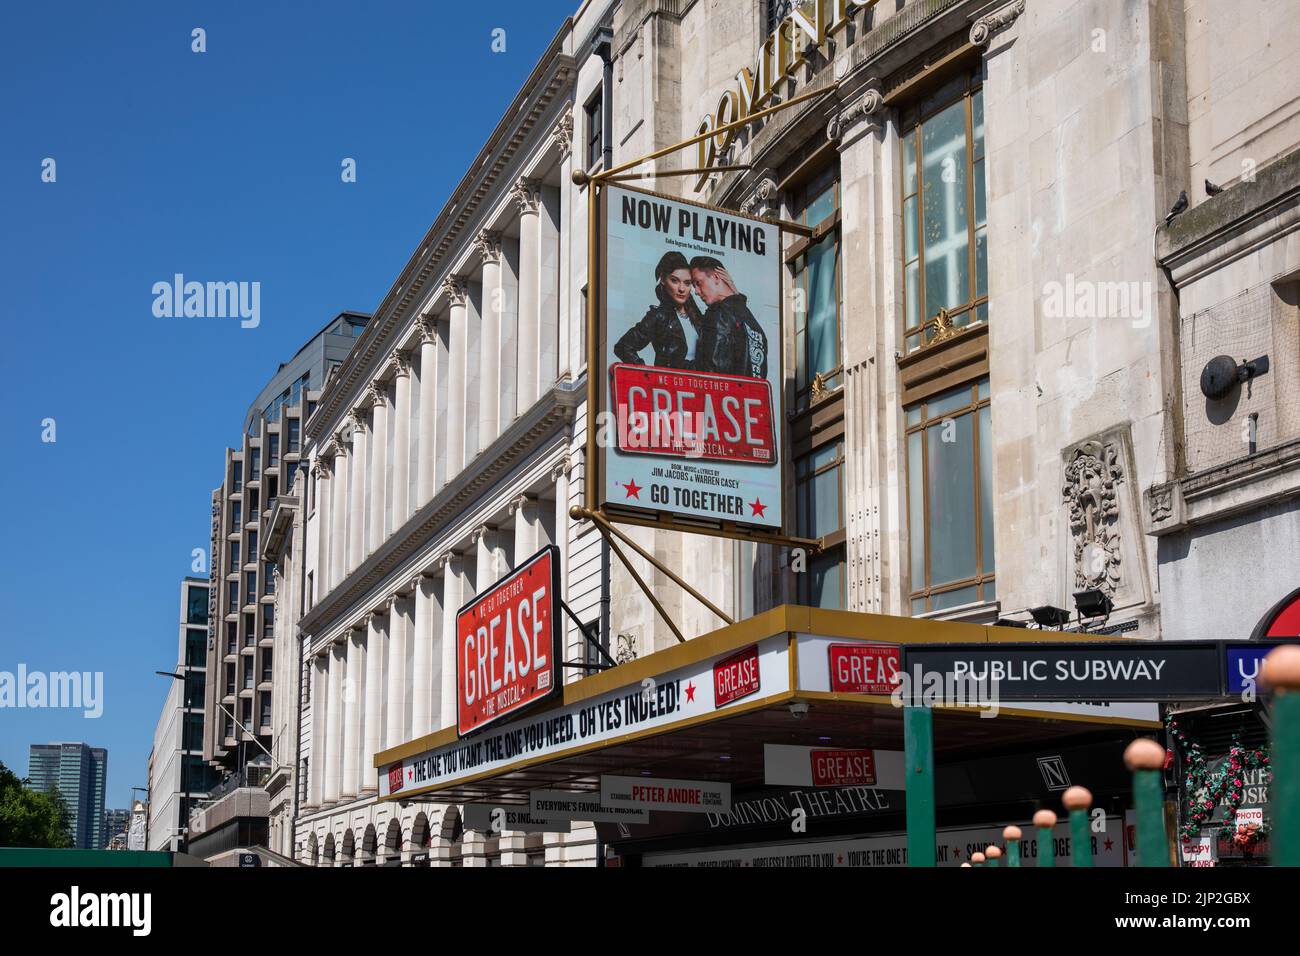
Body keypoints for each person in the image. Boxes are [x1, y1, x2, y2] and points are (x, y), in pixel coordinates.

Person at [612, 251, 707, 370]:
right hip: (670, 385)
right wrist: (647, 376)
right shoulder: (658, 316)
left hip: (702, 385)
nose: (682, 289)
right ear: (663, 280)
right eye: (674, 280)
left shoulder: (699, 317)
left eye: (687, 283)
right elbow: (623, 346)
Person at [689, 256, 768, 379]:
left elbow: (712, 372)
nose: (696, 291)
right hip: (750, 397)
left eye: (698, 283)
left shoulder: (718, 314)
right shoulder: (753, 324)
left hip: (722, 397)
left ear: (716, 277)